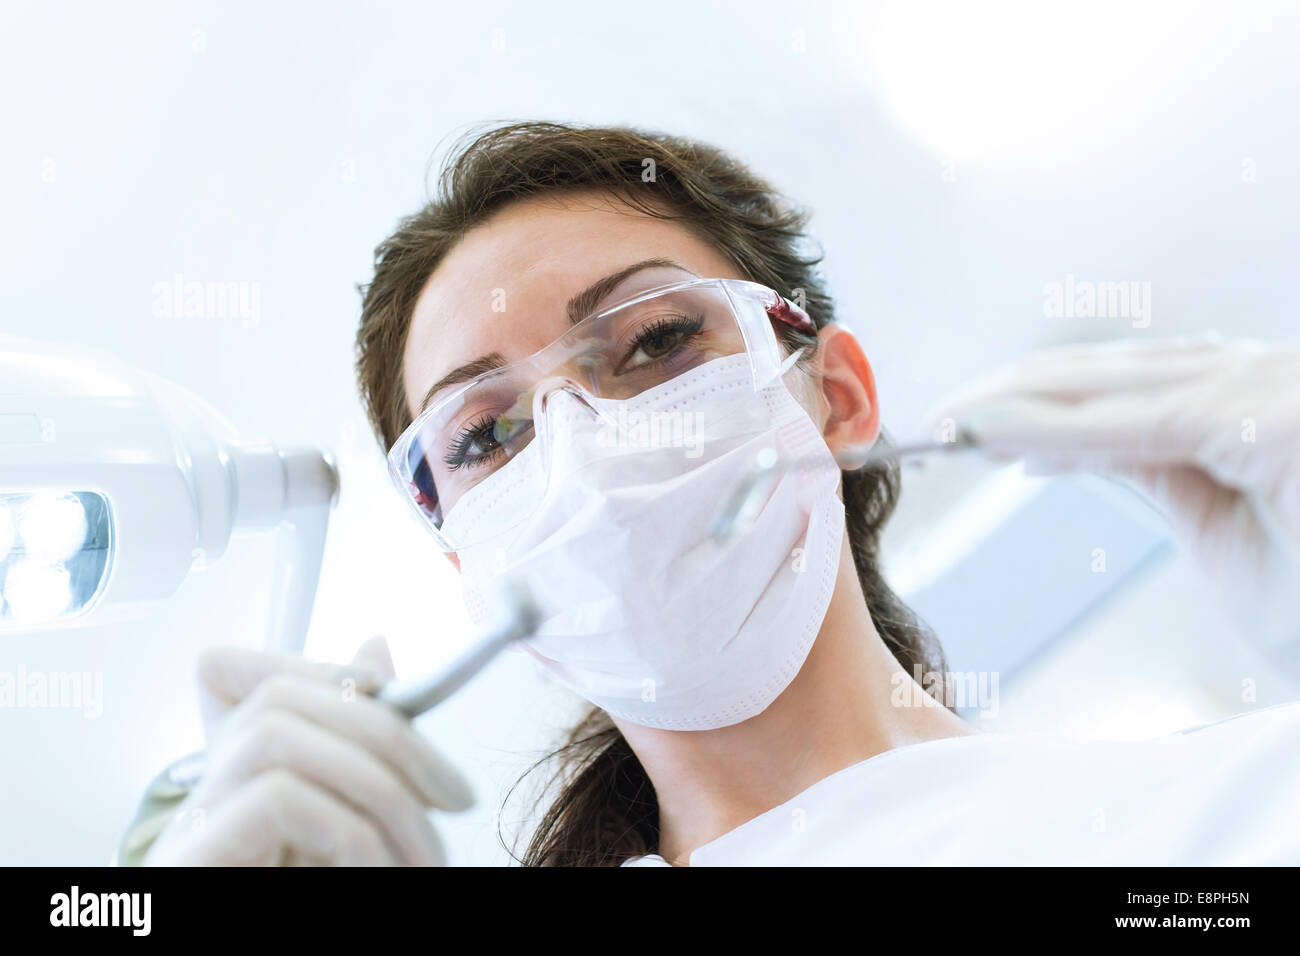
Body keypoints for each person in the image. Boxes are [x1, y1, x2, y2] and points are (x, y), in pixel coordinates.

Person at [141, 122, 1300, 866]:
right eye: (487, 431)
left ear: (836, 397)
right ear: (466, 557)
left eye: (649, 343)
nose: (581, 445)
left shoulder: (1206, 827)